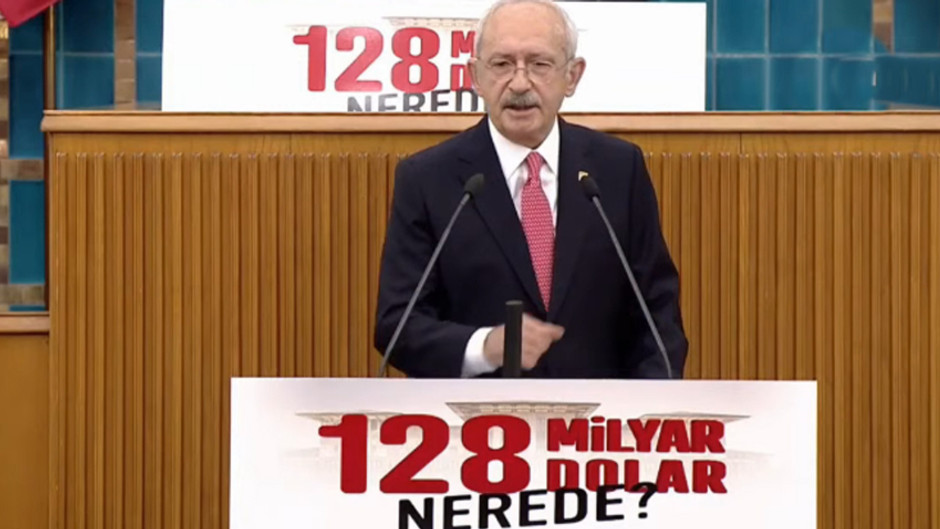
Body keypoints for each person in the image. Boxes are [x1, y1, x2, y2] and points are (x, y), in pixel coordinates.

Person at [373, 0, 688, 378]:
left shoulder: (618, 169)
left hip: (600, 412)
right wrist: (483, 347)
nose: (520, 84)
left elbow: (657, 314)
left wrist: (646, 404)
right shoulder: (428, 178)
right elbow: (398, 325)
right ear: (475, 76)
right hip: (474, 411)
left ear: (572, 76)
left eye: (539, 64)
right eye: (502, 64)